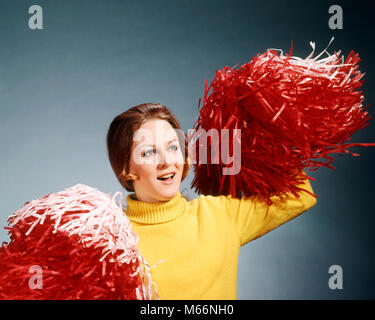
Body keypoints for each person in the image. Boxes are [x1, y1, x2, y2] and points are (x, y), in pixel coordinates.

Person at [106, 103, 317, 300]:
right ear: (126, 169)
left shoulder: (218, 214)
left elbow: (300, 196)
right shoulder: (109, 240)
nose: (167, 162)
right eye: (149, 152)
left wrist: (270, 118)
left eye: (172, 147)